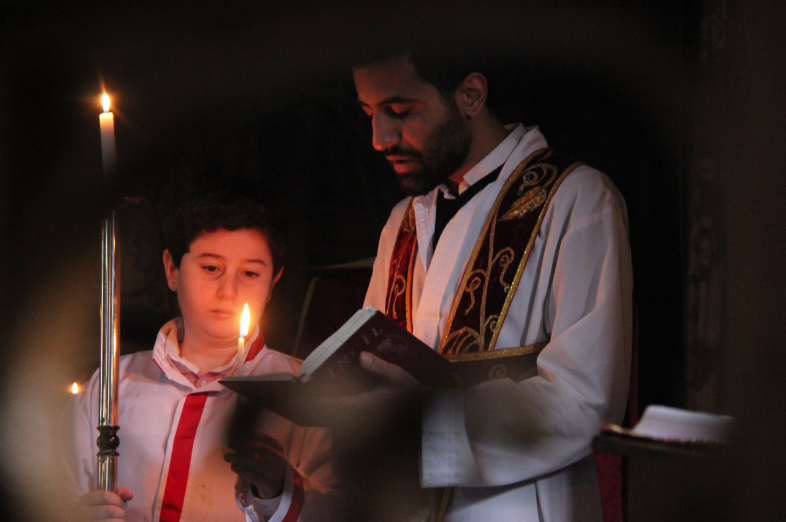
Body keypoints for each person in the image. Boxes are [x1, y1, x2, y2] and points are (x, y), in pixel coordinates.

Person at [340, 50, 633, 522]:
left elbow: (584, 400)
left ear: (471, 95)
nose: (380, 139)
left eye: (399, 111)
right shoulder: (403, 223)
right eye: (369, 114)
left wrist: (425, 425)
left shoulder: (575, 198)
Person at [59, 179, 335, 522]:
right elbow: (50, 490)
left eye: (249, 273)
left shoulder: (304, 394)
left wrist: (279, 488)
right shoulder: (112, 384)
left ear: (272, 284)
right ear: (172, 269)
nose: (228, 291)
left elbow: (343, 507)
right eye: (210, 268)